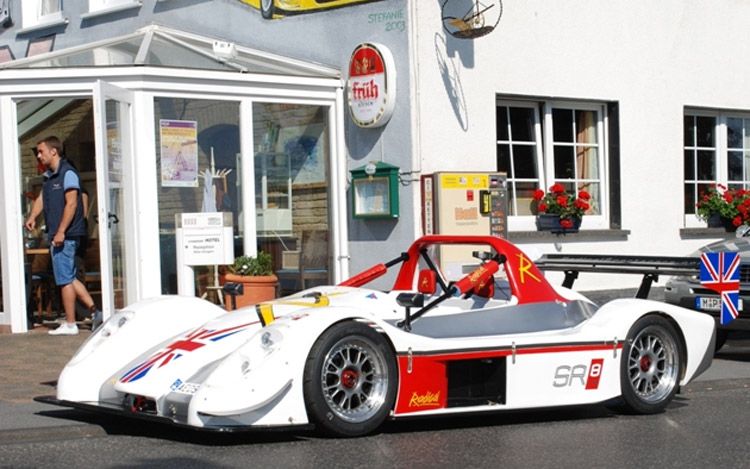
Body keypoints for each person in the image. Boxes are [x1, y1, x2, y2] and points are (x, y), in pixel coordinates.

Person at [24, 136, 101, 335]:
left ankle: (71, 323)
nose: (38, 156)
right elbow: (42, 198)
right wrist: (32, 216)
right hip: (57, 235)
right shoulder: (49, 176)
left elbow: (72, 204)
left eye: (41, 151)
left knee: (65, 279)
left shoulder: (68, 173)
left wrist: (61, 232)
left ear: (54, 151)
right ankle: (95, 312)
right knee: (68, 277)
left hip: (66, 235)